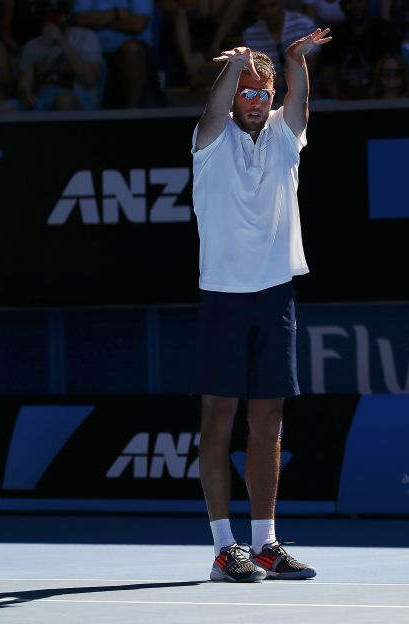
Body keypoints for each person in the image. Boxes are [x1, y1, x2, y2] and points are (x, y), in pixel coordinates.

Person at [190, 28, 330, 583]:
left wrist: (293, 62)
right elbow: (215, 105)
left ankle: (265, 543)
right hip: (223, 298)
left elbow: (300, 99)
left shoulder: (284, 137)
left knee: (268, 424)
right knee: (218, 420)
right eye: (244, 90)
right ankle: (225, 549)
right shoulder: (209, 140)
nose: (253, 99)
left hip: (275, 296)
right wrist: (238, 66)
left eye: (261, 92)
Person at [18, 0, 102, 110]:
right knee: (2, 109)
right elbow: (24, 85)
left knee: (64, 100)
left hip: (77, 99)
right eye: (48, 13)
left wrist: (61, 40)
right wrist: (25, 95)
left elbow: (90, 79)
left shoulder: (86, 37)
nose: (51, 18)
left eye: (55, 13)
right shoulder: (32, 45)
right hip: (41, 101)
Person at [72, 0, 154, 107]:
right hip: (92, 48)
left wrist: (99, 23)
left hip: (129, 50)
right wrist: (116, 13)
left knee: (132, 49)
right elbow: (79, 19)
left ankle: (133, 113)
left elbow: (138, 24)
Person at [315, 0, 402, 99]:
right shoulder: (333, 35)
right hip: (342, 99)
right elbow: (326, 72)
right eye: (350, 2)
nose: (355, 5)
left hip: (379, 96)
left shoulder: (385, 30)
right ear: (341, 6)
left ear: (368, 4)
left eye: (359, 1)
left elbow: (395, 65)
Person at [241, 0, 318, 100]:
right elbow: (252, 70)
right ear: (256, 9)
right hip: (268, 89)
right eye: (262, 7)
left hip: (306, 82)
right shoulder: (250, 35)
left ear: (281, 3)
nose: (268, 11)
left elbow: (312, 60)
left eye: (272, 5)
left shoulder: (303, 24)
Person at [162, 0, 248, 88]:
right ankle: (191, 71)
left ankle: (215, 46)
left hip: (202, 14)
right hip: (179, 11)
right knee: (180, 13)